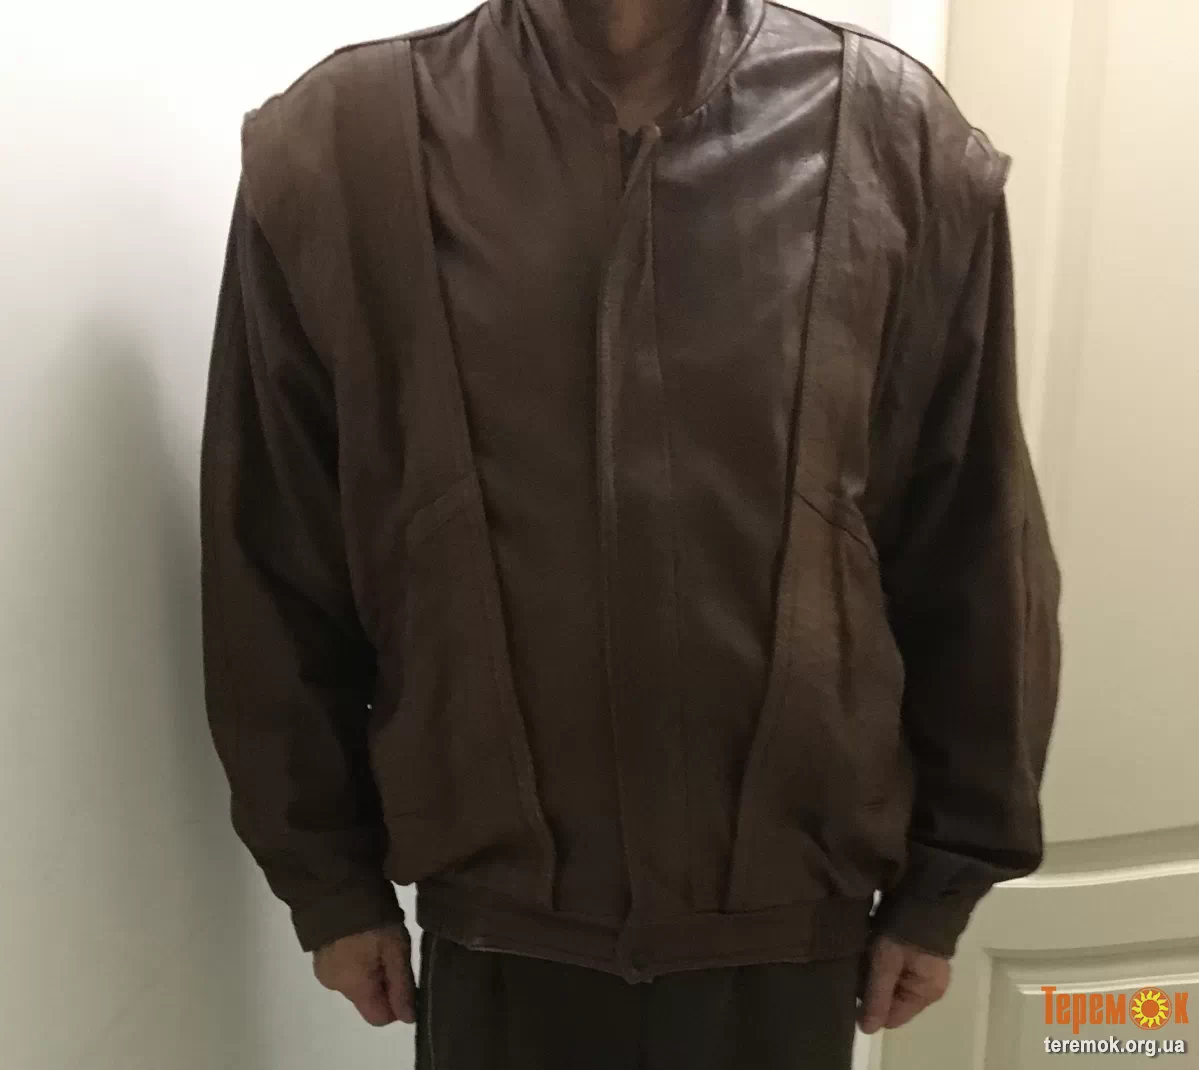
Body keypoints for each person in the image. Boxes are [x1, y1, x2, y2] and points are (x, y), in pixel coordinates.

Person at [199, 0, 1063, 1066]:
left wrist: (944, 879)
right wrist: (329, 881)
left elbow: (971, 534)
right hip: (494, 933)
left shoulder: (894, 134)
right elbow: (273, 544)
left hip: (790, 941)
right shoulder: (342, 142)